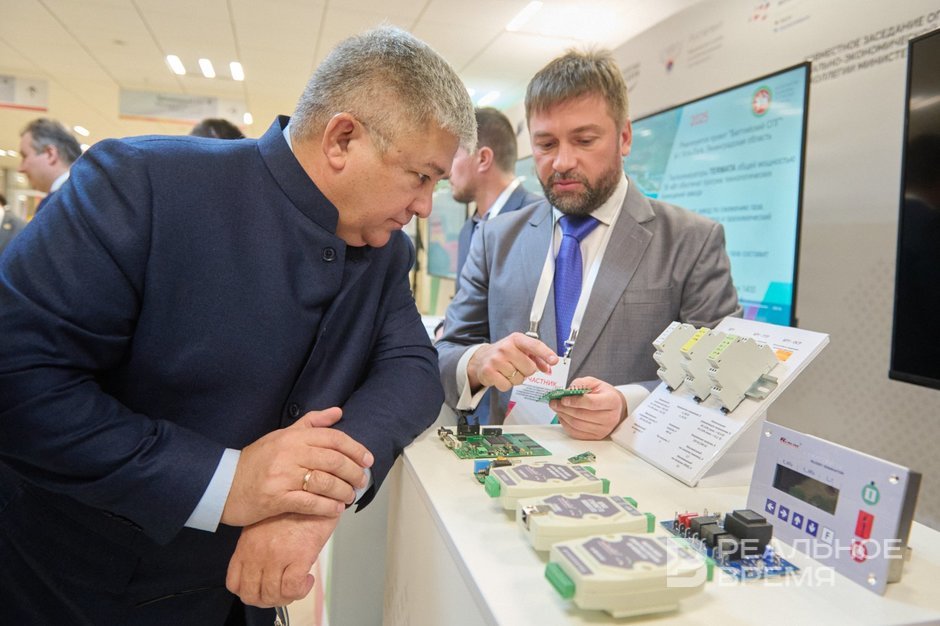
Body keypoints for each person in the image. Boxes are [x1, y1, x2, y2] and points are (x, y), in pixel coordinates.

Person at [0, 26, 475, 625]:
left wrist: (311, 495)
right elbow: (21, 383)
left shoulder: (384, 253)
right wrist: (227, 482)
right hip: (81, 590)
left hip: (244, 604)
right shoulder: (139, 185)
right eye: (422, 177)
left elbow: (410, 371)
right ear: (343, 139)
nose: (426, 206)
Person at [436, 48, 740, 440]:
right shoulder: (495, 239)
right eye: (546, 145)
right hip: (506, 462)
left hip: (632, 467)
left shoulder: (690, 242)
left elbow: (724, 377)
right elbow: (446, 352)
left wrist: (629, 403)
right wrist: (478, 362)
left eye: (584, 140)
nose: (562, 162)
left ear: (624, 138)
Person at [450, 107, 541, 292]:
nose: (446, 171)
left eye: (453, 156)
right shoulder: (468, 230)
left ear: (483, 159)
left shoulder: (539, 222)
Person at [17, 117, 82, 211]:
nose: (20, 169)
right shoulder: (83, 195)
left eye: (25, 156)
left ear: (50, 154)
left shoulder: (58, 206)